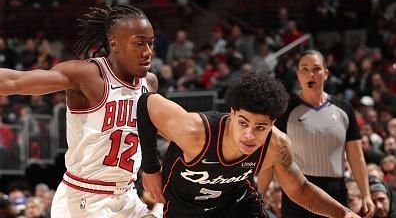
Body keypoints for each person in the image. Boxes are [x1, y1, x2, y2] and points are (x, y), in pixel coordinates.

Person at [0, 5, 162, 218]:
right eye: (139, 43)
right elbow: (13, 81)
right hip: (85, 199)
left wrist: (152, 168)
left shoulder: (149, 83)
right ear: (114, 44)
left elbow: (153, 131)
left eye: (150, 43)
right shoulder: (87, 75)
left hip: (127, 195)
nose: (147, 52)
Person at [137, 71, 362, 218]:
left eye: (260, 127)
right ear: (232, 113)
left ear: (273, 124)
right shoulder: (195, 131)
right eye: (243, 123)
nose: (249, 135)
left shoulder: (277, 145)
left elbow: (299, 189)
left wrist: (343, 214)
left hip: (238, 205)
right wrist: (151, 168)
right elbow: (146, 103)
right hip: (186, 208)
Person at [274, 50, 374, 218]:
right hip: (297, 190)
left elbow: (356, 157)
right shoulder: (286, 109)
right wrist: (259, 194)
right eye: (304, 69)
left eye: (316, 68)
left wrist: (366, 195)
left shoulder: (344, 108)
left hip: (336, 191)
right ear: (298, 74)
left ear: (326, 73)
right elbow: (274, 155)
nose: (310, 73)